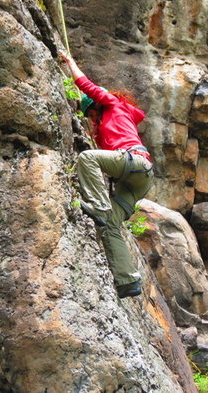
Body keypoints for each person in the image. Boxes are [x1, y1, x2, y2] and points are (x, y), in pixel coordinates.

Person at [60, 51, 154, 298]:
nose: (91, 120)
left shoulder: (113, 103)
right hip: (138, 179)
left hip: (133, 163)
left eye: (91, 115)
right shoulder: (111, 125)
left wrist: (70, 62)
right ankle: (127, 280)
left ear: (98, 108)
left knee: (87, 157)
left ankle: (99, 206)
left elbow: (87, 86)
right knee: (111, 224)